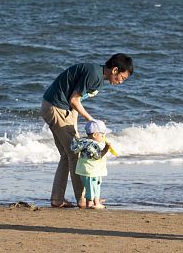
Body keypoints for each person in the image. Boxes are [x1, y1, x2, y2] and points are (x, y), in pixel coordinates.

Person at [40, 54, 134, 208]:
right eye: (122, 78)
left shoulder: (97, 75)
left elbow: (75, 101)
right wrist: (92, 120)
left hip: (56, 107)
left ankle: (58, 199)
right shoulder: (94, 75)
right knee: (75, 153)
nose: (121, 82)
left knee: (67, 154)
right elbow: (74, 100)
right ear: (115, 70)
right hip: (56, 107)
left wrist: (74, 120)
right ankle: (84, 199)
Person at [70, 120, 114, 209]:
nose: (104, 137)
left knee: (95, 185)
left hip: (87, 170)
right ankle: (91, 203)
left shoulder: (84, 142)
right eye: (102, 135)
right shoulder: (91, 145)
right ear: (94, 135)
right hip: (91, 170)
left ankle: (95, 201)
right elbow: (98, 156)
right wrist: (106, 148)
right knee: (92, 187)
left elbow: (74, 148)